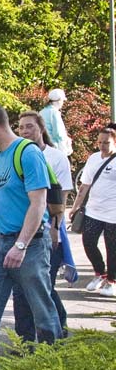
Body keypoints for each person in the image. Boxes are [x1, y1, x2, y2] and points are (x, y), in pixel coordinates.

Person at [0, 102, 61, 356]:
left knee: (40, 307)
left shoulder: (27, 152)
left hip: (29, 245)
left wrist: (21, 245)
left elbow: (38, 202)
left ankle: (50, 363)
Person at [12, 111, 74, 337]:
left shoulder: (56, 157)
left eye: (30, 126)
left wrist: (56, 228)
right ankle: (24, 340)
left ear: (41, 128)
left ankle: (58, 331)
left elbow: (61, 196)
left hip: (47, 228)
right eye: (21, 127)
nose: (25, 131)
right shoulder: (16, 153)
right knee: (20, 289)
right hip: (20, 228)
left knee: (42, 285)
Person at [69, 127, 116, 297]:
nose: (102, 146)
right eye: (100, 142)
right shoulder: (94, 158)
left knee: (112, 248)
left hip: (113, 213)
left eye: (106, 142)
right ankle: (99, 272)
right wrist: (75, 206)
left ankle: (111, 280)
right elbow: (84, 185)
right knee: (88, 242)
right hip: (93, 210)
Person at [39, 88, 73, 156]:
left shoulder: (41, 112)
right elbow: (58, 133)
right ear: (59, 101)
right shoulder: (54, 112)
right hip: (55, 148)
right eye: (62, 101)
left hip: (43, 147)